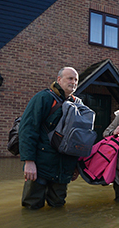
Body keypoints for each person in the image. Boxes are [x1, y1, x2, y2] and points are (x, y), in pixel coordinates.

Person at [18, 67, 82, 209]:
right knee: (31, 207)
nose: (74, 82)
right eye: (70, 78)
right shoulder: (43, 98)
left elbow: (80, 139)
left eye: (76, 79)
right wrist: (29, 161)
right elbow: (27, 130)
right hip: (40, 167)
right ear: (59, 79)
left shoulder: (79, 105)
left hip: (64, 169)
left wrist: (76, 166)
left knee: (58, 207)